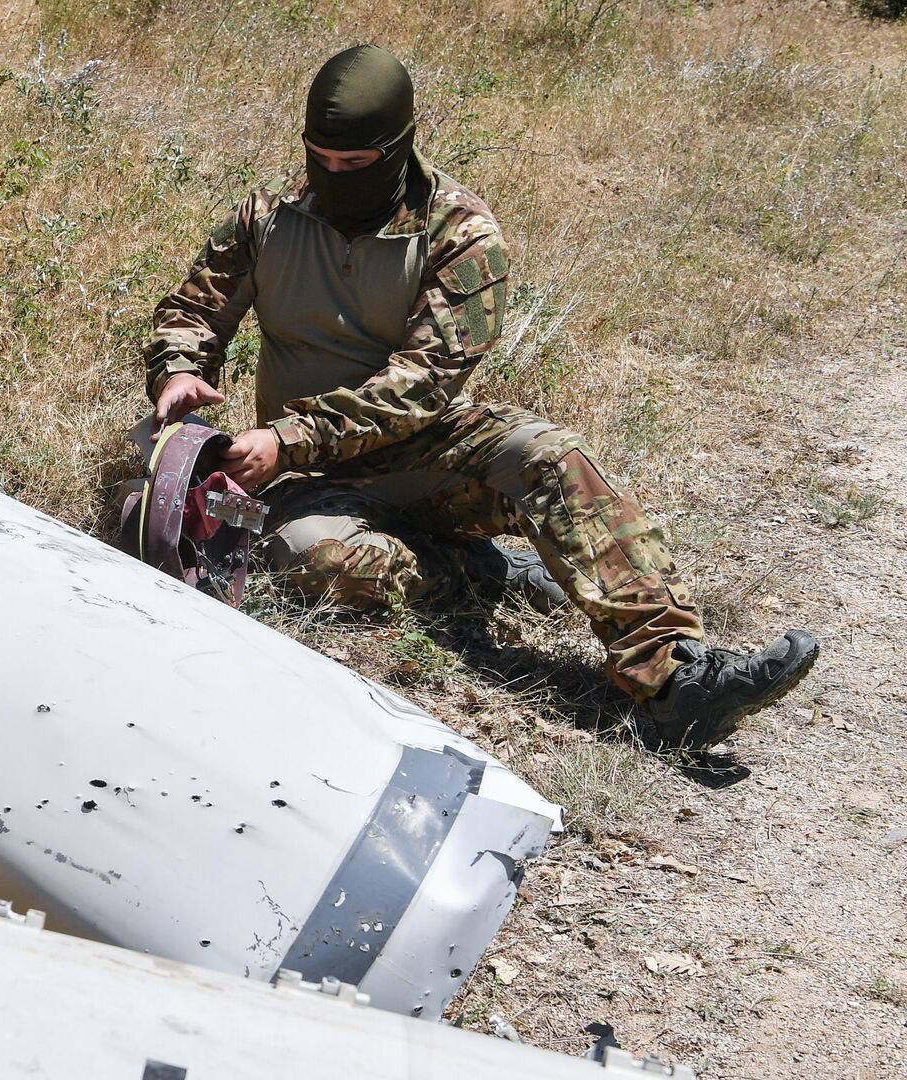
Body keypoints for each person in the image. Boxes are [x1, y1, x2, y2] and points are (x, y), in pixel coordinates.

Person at [141, 44, 817, 752]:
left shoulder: (459, 233)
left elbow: (422, 383)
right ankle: (480, 571)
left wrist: (288, 437)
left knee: (553, 458)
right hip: (308, 479)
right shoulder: (268, 218)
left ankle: (678, 679)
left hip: (425, 453)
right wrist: (179, 370)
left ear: (398, 147)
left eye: (355, 163)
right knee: (316, 562)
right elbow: (193, 309)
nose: (333, 176)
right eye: (320, 158)